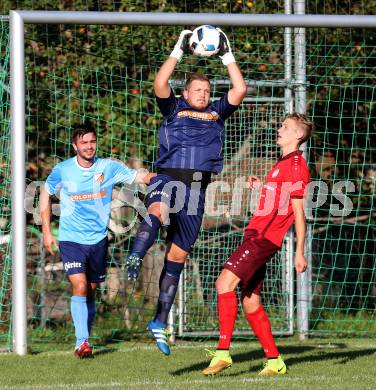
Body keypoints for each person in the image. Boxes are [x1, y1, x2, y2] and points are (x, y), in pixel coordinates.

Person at [125, 28, 246, 355]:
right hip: (167, 177)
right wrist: (179, 48)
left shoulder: (216, 113)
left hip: (196, 189)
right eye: (198, 90)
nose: (203, 94)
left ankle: (159, 321)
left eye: (207, 90)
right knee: (157, 210)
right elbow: (159, 83)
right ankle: (135, 255)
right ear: (186, 91)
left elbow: (240, 88)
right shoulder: (173, 108)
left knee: (177, 256)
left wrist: (227, 55)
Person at [203, 113, 313, 376]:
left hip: (264, 239)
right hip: (257, 235)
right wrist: (261, 186)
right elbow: (280, 199)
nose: (279, 129)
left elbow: (298, 212)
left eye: (285, 127)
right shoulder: (284, 163)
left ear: (298, 135)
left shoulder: (297, 164)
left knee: (223, 283)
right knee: (251, 300)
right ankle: (275, 361)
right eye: (280, 125)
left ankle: (222, 353)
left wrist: (299, 252)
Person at [40, 124, 155, 358]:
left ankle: (85, 338)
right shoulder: (63, 170)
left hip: (99, 240)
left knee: (91, 290)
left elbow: (139, 176)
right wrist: (46, 231)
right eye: (84, 143)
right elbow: (45, 192)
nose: (89, 146)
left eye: (92, 142)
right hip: (71, 239)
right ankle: (81, 343)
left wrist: (162, 177)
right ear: (75, 146)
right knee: (80, 286)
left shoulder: (108, 167)